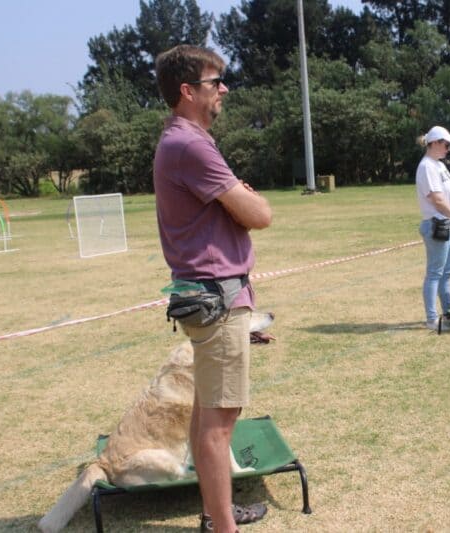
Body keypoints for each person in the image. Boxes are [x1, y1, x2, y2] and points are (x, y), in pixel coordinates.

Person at [153, 45, 272, 533]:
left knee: (207, 418)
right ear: (187, 91)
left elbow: (241, 207)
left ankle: (213, 513)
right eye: (214, 81)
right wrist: (240, 197)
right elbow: (260, 215)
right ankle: (223, 527)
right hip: (218, 301)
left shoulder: (182, 141)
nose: (223, 88)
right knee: (218, 427)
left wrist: (237, 199)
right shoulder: (192, 144)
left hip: (210, 297)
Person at [415, 125, 450, 331]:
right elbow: (437, 199)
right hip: (437, 225)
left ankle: (448, 313)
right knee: (435, 273)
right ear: (434, 143)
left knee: (447, 272)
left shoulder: (440, 165)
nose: (448, 149)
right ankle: (431, 319)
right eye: (446, 145)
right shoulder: (427, 166)